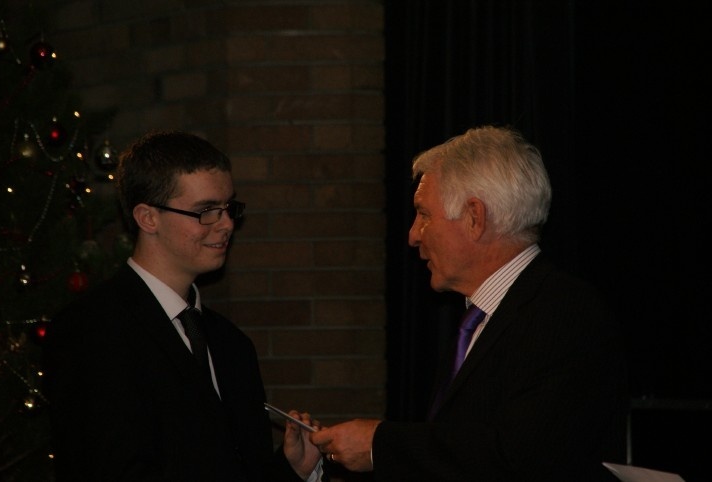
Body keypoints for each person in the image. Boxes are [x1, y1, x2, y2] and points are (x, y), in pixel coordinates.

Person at [309, 125, 629, 481]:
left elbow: (521, 458)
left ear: (475, 218)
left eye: (424, 214)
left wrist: (379, 445)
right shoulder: (478, 320)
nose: (413, 235)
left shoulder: (567, 315)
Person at [44, 131, 323, 482]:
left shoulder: (231, 344)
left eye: (228, 208)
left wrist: (292, 469)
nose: (227, 224)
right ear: (148, 218)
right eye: (206, 211)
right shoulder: (92, 330)